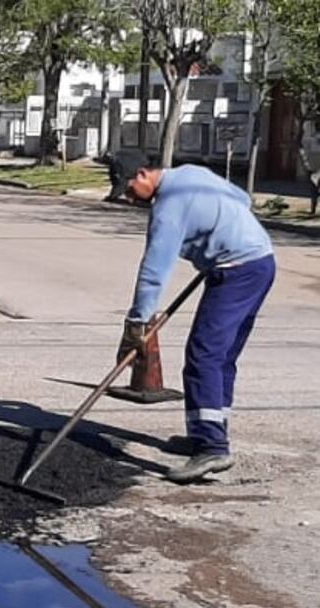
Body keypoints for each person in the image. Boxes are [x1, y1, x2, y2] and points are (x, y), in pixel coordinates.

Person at [117, 159, 275, 483]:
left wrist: (138, 321)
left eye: (129, 189)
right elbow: (242, 200)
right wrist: (216, 236)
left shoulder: (169, 206)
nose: (128, 198)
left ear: (143, 173)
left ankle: (212, 447)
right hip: (260, 262)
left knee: (203, 356)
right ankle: (210, 430)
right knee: (222, 357)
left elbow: (154, 270)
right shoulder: (192, 175)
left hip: (237, 271)